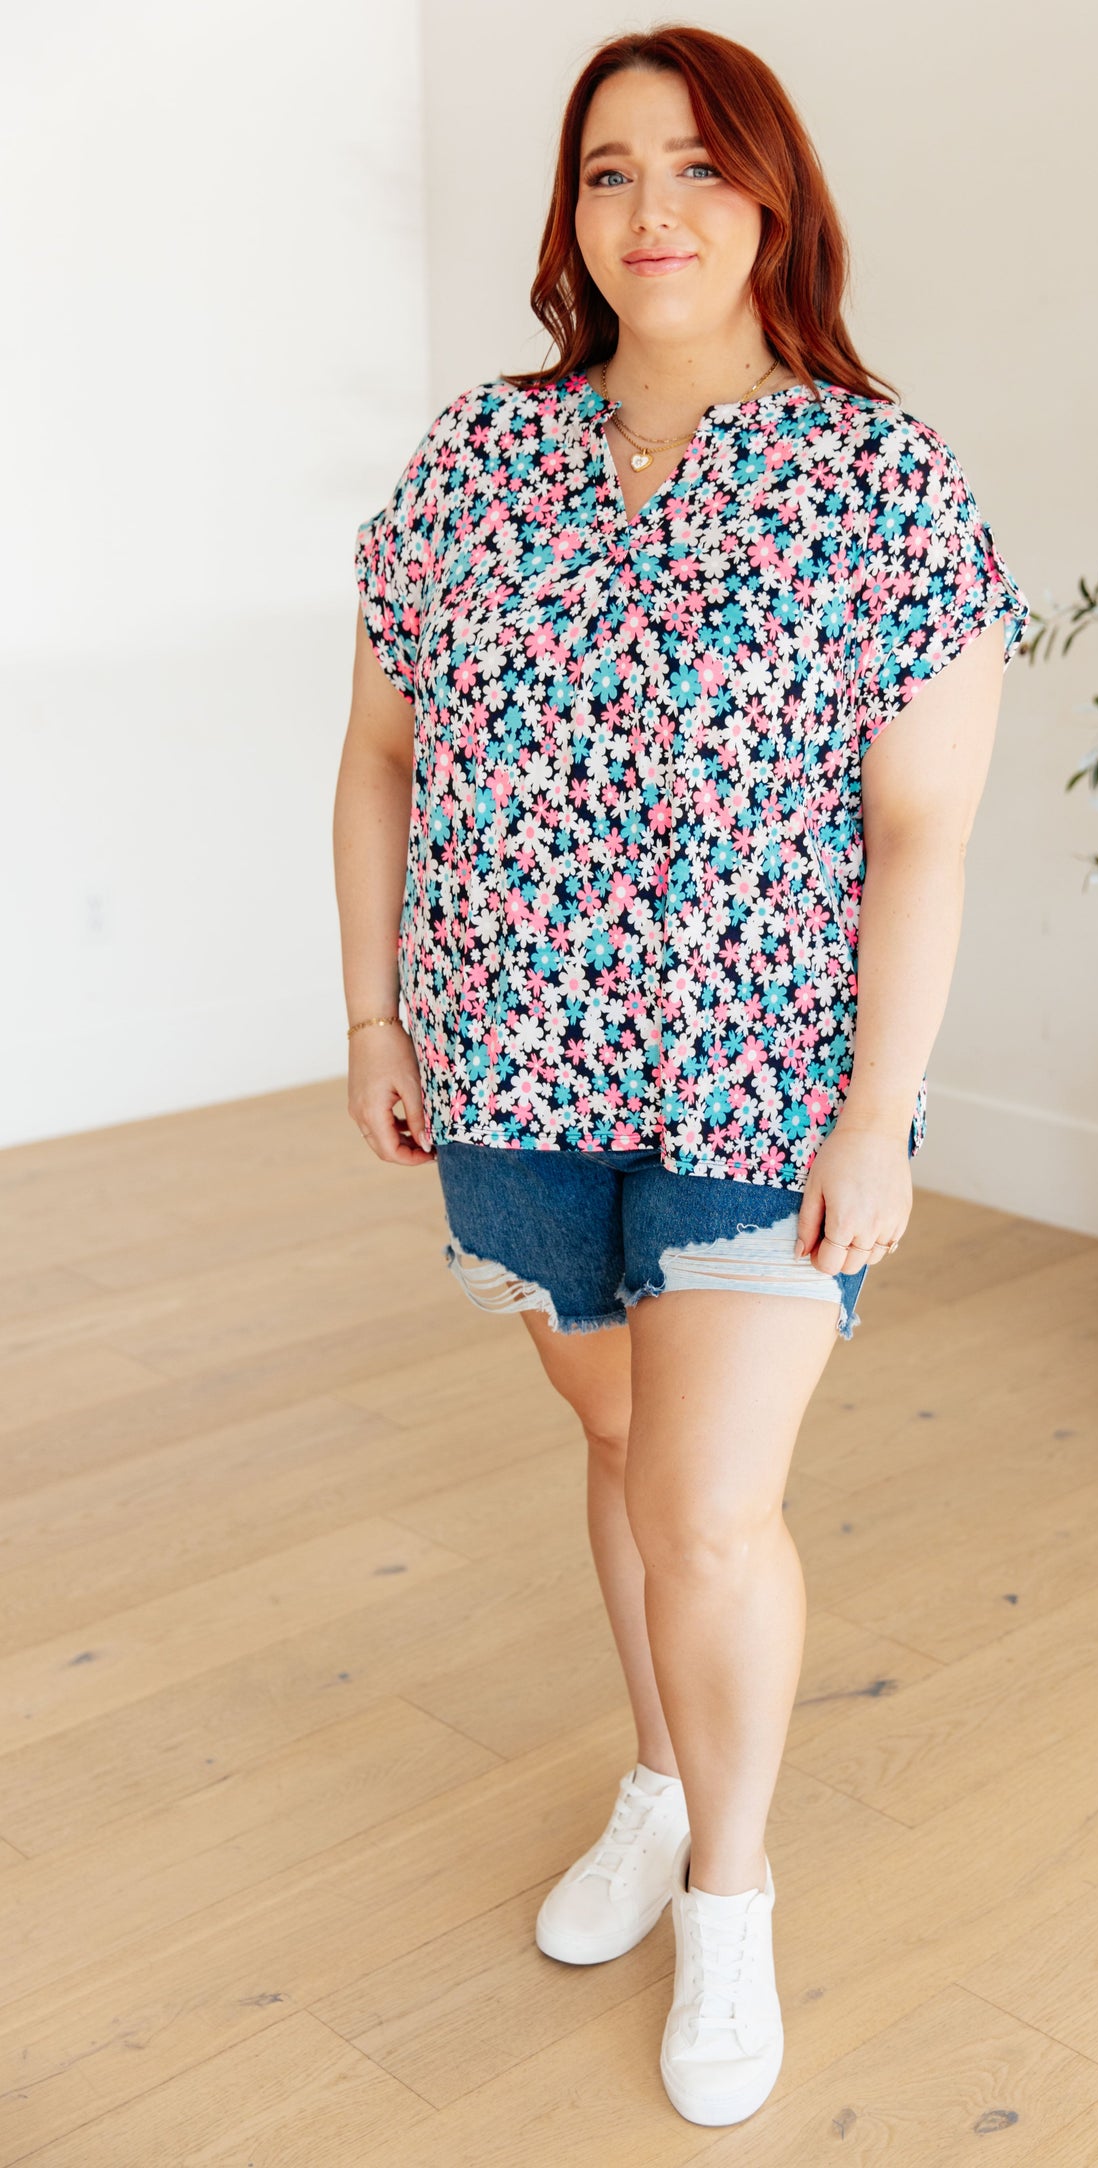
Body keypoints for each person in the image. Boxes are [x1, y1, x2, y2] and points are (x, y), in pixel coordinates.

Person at [333, 22, 1028, 2130]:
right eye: (611, 173)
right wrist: (376, 1015)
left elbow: (924, 834)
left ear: (773, 200)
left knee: (713, 1512)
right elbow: (379, 754)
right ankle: (656, 1777)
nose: (652, 213)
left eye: (698, 169)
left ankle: (729, 1891)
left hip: (761, 1091)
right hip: (512, 1065)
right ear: (573, 216)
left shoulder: (884, 479)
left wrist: (877, 1112)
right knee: (629, 1445)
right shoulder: (476, 457)